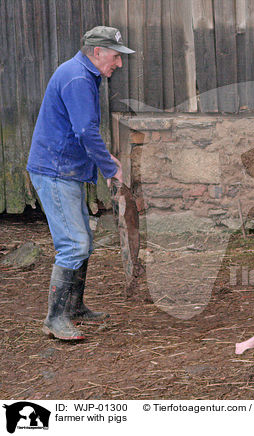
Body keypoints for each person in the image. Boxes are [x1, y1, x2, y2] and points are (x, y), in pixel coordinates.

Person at [27, 26, 135, 341]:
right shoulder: (77, 79)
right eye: (116, 56)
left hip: (64, 168)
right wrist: (108, 168)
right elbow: (86, 132)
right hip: (54, 170)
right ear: (97, 52)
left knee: (82, 239)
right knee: (74, 244)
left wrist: (107, 159)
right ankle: (54, 319)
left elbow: (84, 130)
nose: (119, 63)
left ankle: (73, 307)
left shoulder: (83, 74)